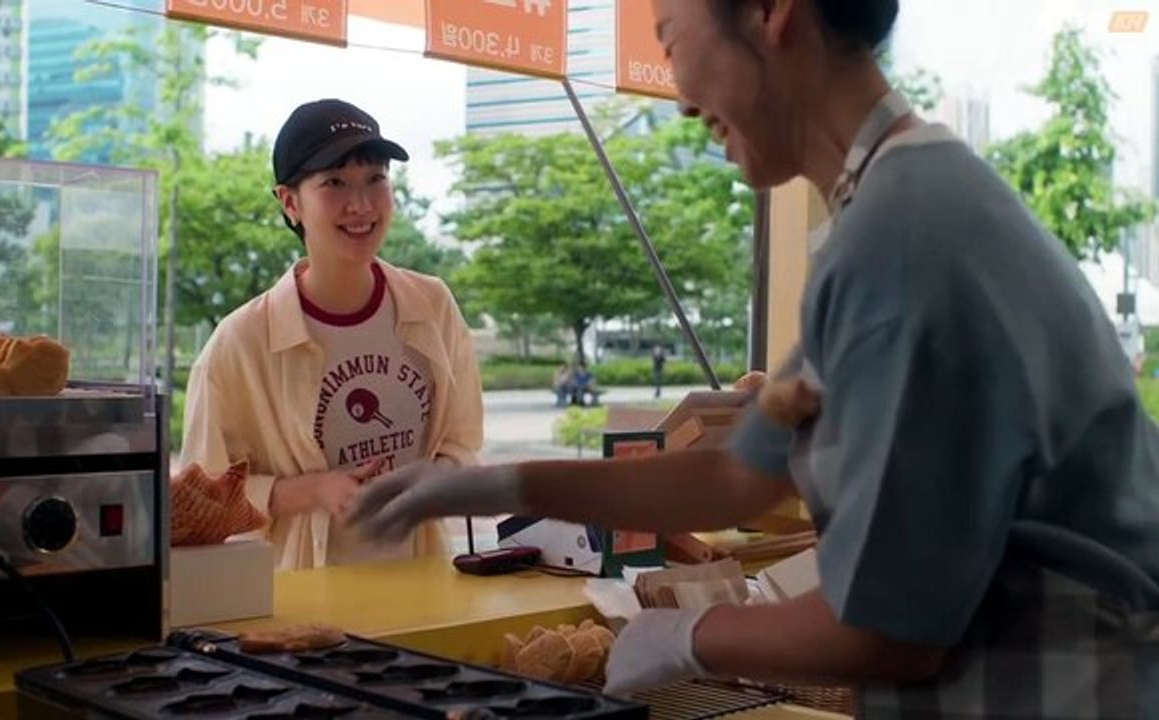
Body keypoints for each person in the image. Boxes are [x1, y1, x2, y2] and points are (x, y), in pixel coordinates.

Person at [348, 1, 1159, 716]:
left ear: (773, 11)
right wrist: (502, 486)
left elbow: (888, 632)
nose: (678, 95)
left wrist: (687, 636)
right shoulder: (897, 205)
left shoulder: (904, 237)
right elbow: (740, 475)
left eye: (671, 38)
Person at [181, 99, 483, 570]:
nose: (360, 204)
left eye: (375, 179)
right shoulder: (239, 343)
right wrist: (311, 491)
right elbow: (202, 499)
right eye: (334, 183)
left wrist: (432, 480)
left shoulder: (433, 305)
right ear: (290, 202)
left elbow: (463, 443)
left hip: (423, 580)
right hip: (299, 594)